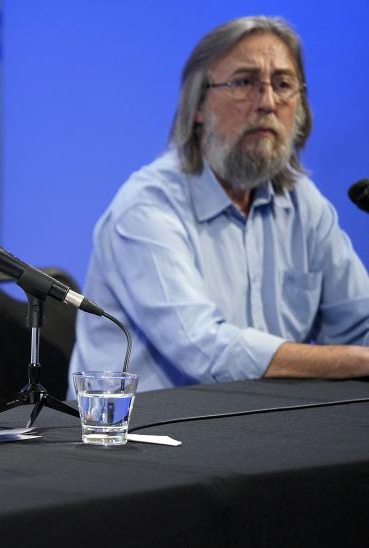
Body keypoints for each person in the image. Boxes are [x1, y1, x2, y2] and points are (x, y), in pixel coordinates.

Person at [69, 16, 369, 394]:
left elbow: (360, 324)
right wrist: (358, 361)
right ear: (197, 105)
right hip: (142, 437)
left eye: (283, 84)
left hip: (264, 430)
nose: (268, 103)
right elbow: (204, 349)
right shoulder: (147, 207)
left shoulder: (303, 203)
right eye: (244, 83)